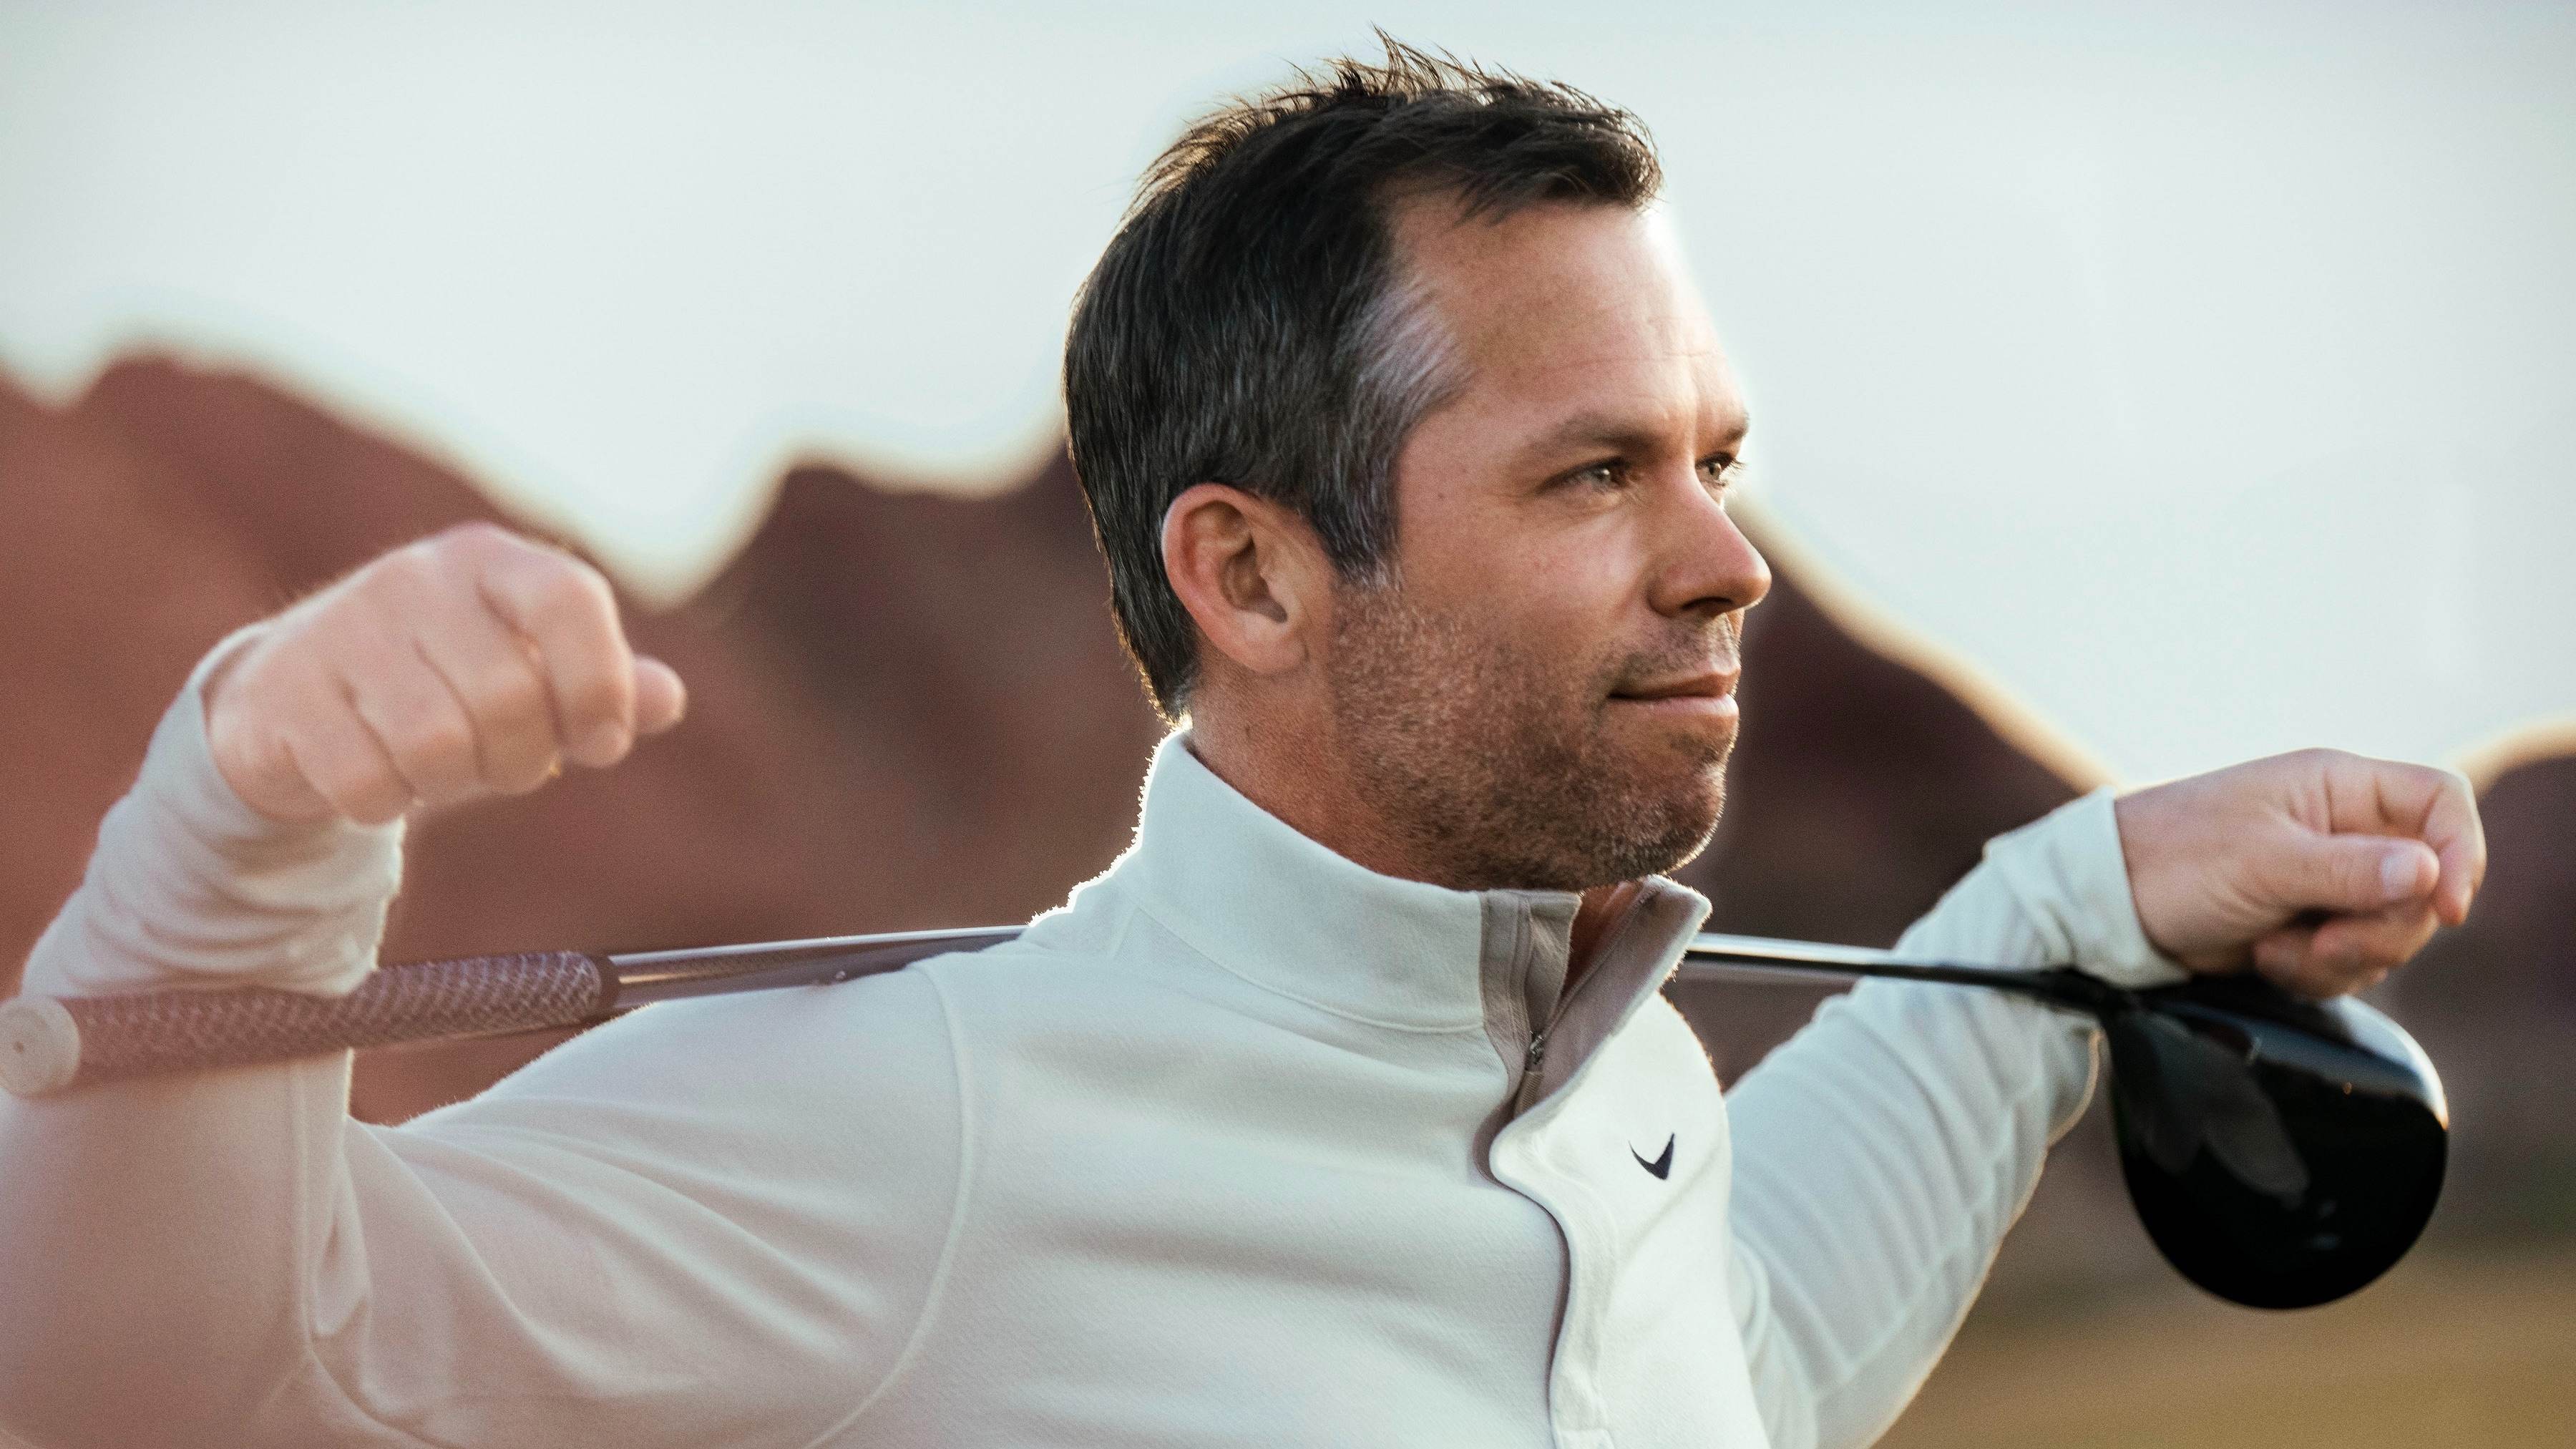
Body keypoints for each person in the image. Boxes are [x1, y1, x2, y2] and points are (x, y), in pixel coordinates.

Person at [0, 44, 2484, 1449]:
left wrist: (2073, 901)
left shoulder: (1627, 1092)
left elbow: (1734, 1366)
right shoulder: (921, 1125)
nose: (1728, 559)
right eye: (1595, 474)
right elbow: (181, 1391)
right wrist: (248, 825)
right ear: (1255, 575)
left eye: (1714, 459)